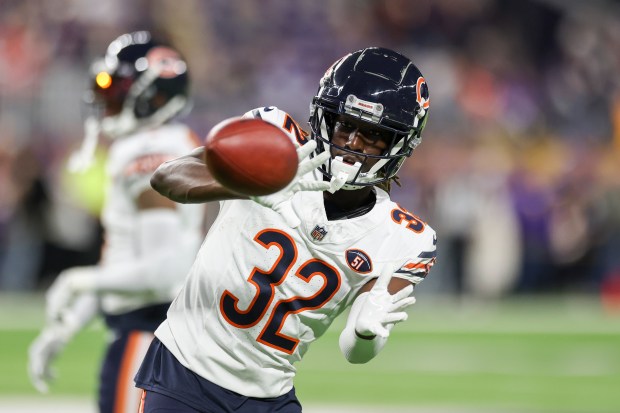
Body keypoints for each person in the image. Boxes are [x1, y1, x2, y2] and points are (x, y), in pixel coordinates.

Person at [135, 47, 436, 412]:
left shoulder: (404, 237)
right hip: (184, 372)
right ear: (324, 118)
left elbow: (355, 352)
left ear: (400, 144)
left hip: (269, 395)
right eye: (345, 126)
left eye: (373, 135)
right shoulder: (275, 140)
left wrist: (365, 333)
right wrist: (251, 184)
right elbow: (167, 177)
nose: (354, 144)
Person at [27, 31, 205, 413]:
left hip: (146, 336)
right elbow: (125, 265)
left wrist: (77, 280)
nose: (107, 98)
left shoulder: (149, 151)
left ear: (152, 94)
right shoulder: (163, 142)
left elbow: (165, 272)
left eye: (119, 87)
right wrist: (67, 326)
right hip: (150, 333)